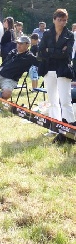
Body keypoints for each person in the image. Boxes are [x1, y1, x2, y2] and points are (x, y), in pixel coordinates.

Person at [38, 8, 75, 143]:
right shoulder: (47, 34)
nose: (62, 22)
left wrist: (50, 51)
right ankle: (54, 128)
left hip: (63, 70)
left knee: (65, 101)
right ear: (54, 20)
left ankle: (71, 129)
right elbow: (41, 52)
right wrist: (58, 51)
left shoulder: (70, 35)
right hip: (48, 69)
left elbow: (68, 54)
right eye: (59, 20)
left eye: (64, 20)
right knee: (53, 101)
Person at [0, 36, 37, 100]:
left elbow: (40, 63)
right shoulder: (13, 52)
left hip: (10, 79)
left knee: (6, 94)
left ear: (27, 45)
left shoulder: (29, 57)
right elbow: (3, 64)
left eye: (21, 43)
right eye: (18, 43)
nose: (18, 45)